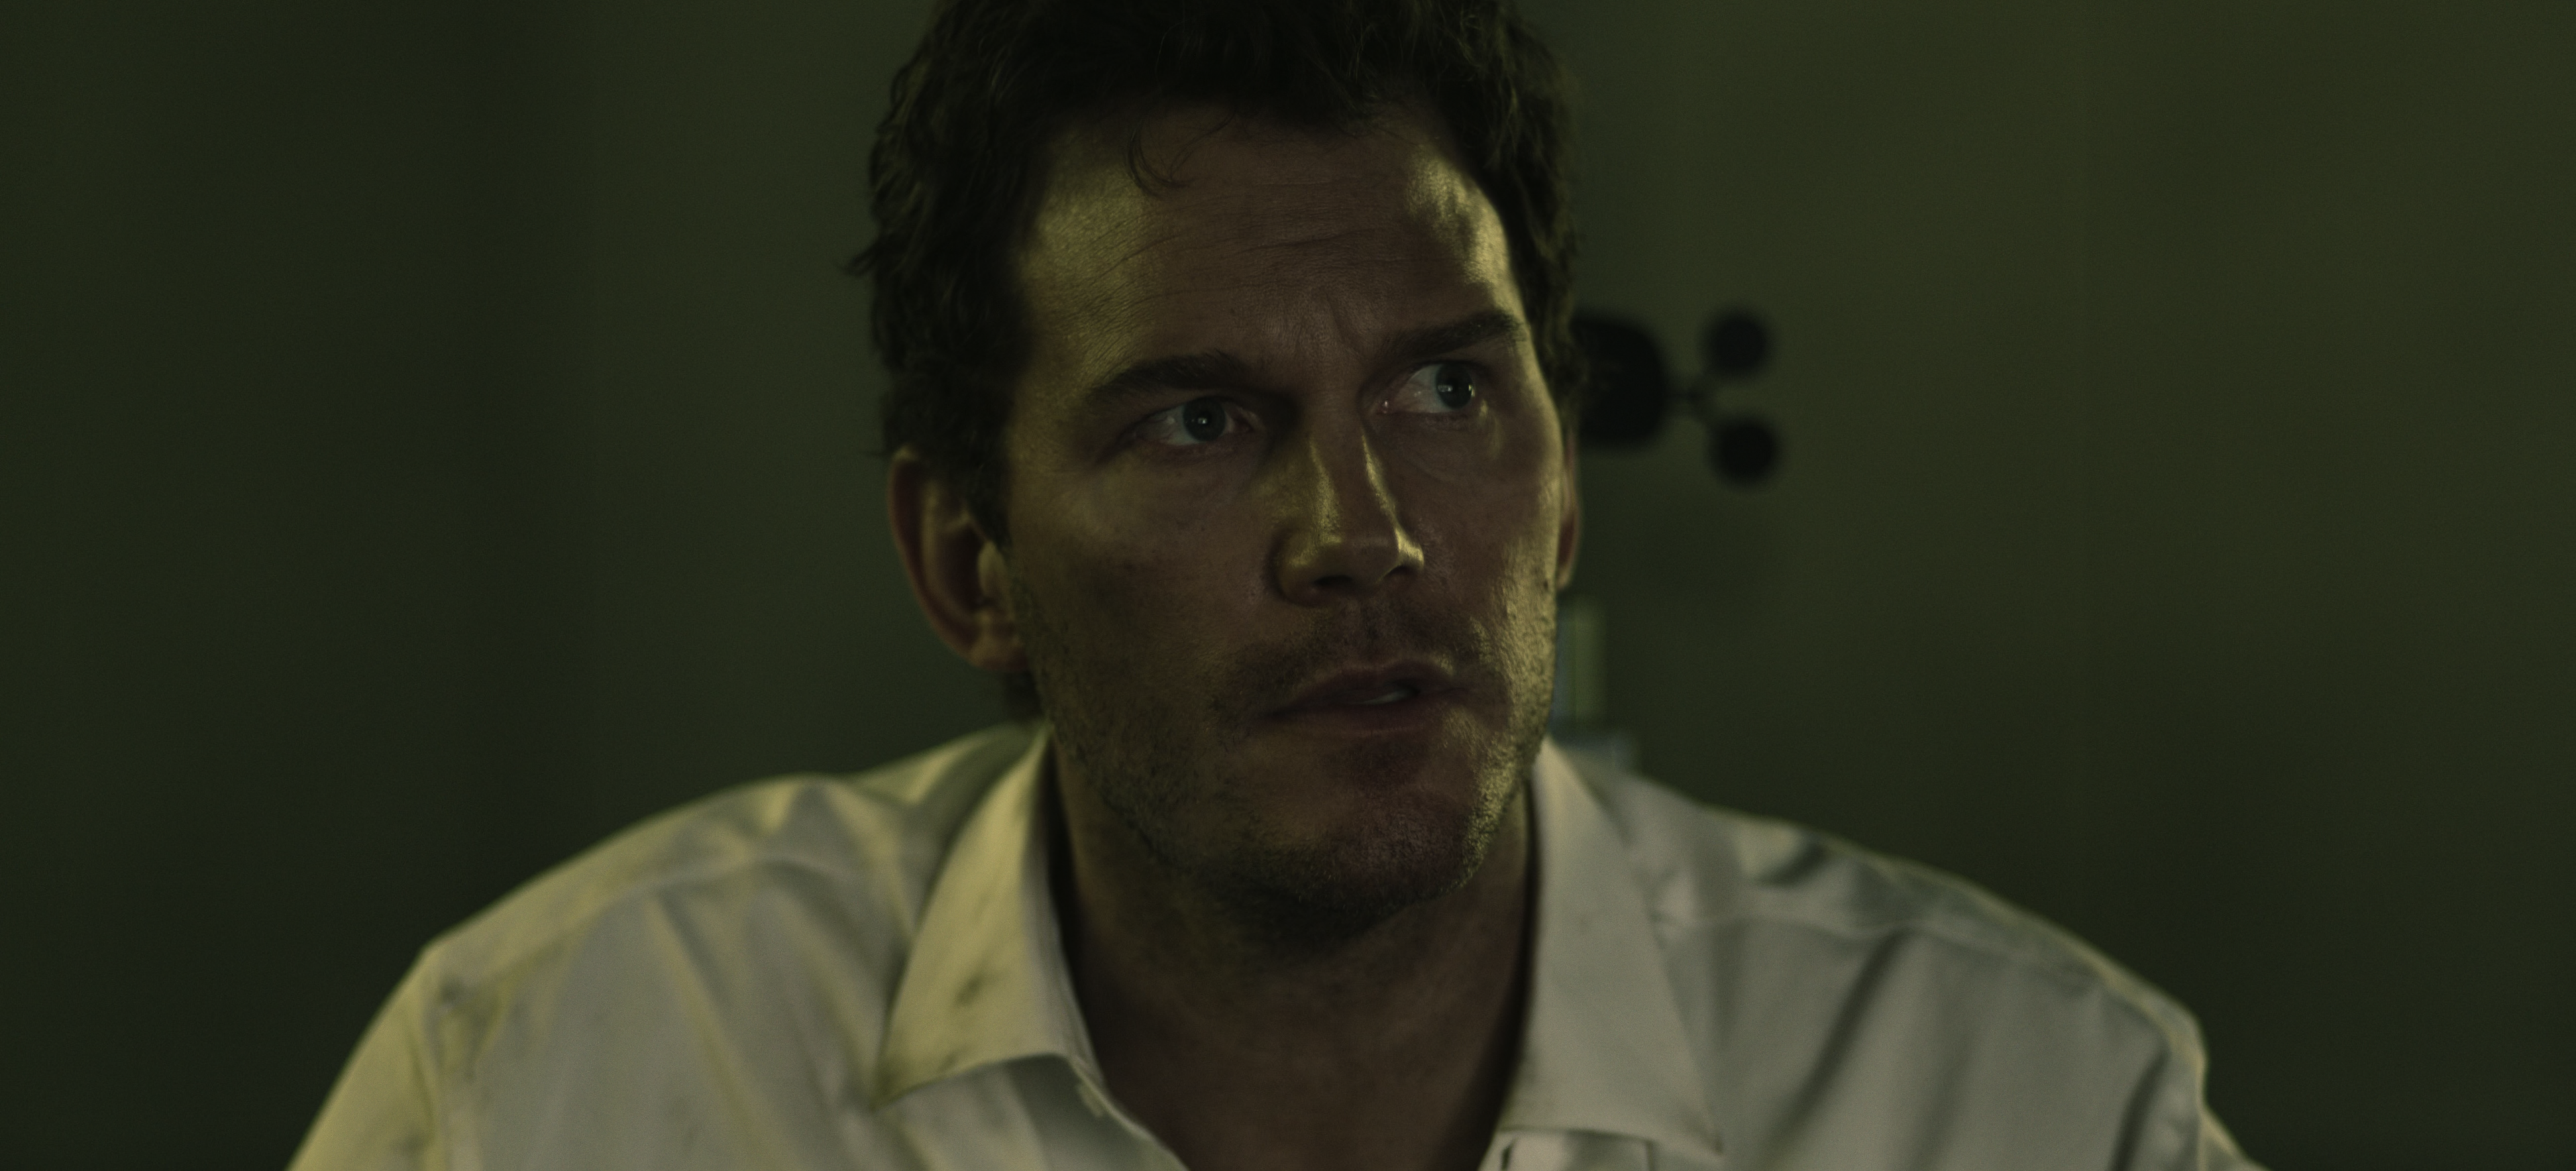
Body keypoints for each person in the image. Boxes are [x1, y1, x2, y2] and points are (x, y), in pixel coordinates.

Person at [292, 1, 2262, 1168]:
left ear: (1566, 485)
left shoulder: (2027, 1108)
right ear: (967, 563)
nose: (1364, 533)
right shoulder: (559, 1073)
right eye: (1198, 422)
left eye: (1447, 389)